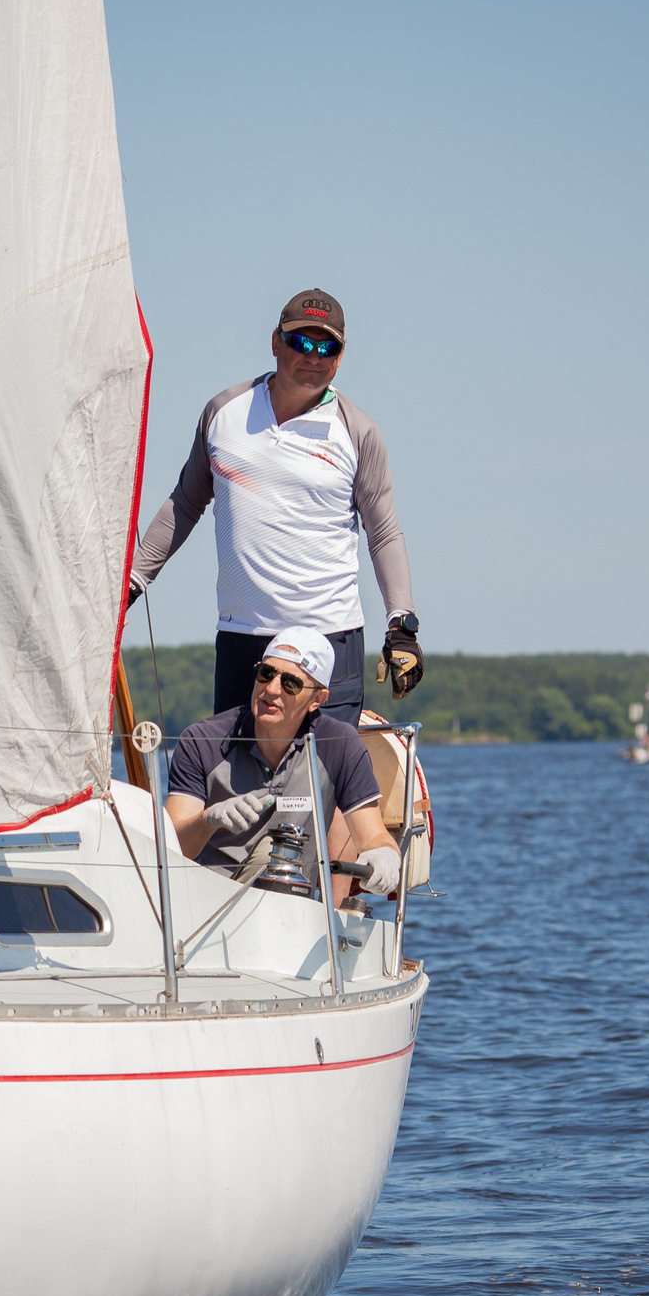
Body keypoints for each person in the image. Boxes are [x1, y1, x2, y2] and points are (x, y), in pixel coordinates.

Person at [126, 289, 423, 724]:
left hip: (329, 638)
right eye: (301, 342)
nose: (314, 357)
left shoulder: (358, 430)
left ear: (340, 357)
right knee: (233, 788)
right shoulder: (224, 412)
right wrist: (131, 583)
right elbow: (186, 503)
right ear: (275, 342)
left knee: (323, 786)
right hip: (243, 636)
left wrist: (401, 625)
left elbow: (383, 534)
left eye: (328, 347)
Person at [163, 627, 402, 896]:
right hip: (203, 904)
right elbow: (173, 845)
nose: (272, 689)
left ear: (317, 700)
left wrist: (385, 858)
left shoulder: (338, 743)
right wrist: (209, 819)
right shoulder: (201, 740)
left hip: (290, 912)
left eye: (291, 684)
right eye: (265, 674)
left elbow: (373, 836)